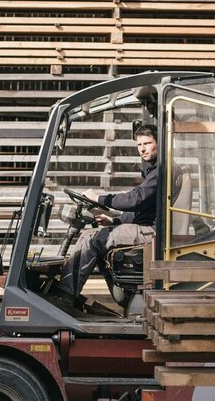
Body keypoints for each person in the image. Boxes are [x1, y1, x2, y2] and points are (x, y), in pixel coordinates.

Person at [54, 124, 162, 306]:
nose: (142, 149)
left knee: (92, 238)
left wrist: (99, 198)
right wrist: (114, 220)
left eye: (148, 143)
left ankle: (64, 296)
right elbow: (141, 209)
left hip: (152, 231)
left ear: (159, 143)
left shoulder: (161, 171)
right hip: (146, 227)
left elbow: (135, 200)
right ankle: (123, 298)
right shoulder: (154, 170)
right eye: (139, 144)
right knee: (99, 238)